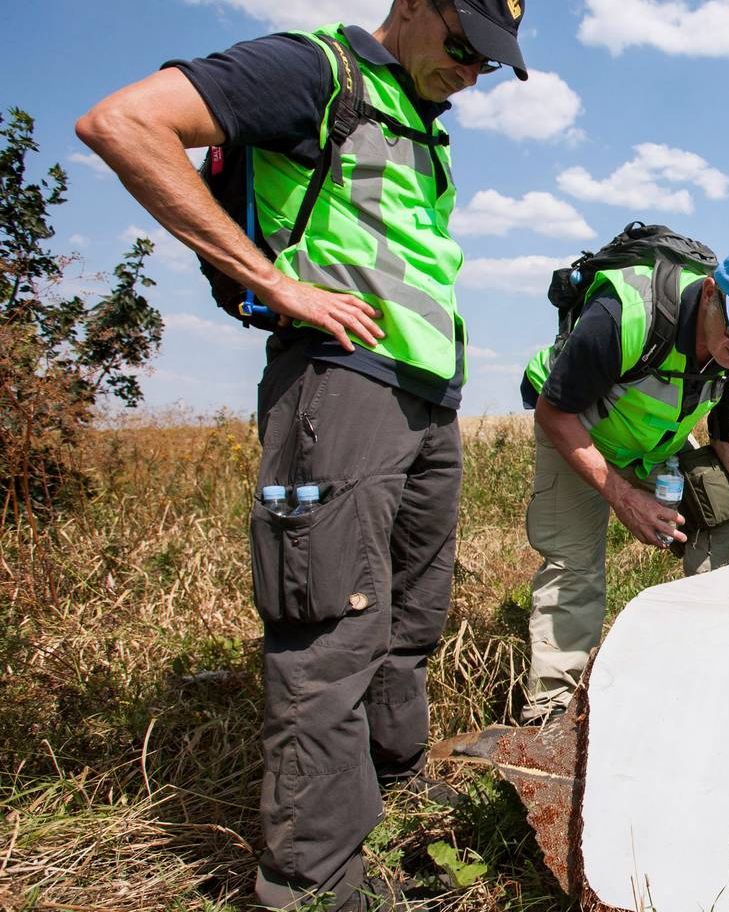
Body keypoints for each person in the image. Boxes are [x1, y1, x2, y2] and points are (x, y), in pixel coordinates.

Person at [76, 1, 528, 907]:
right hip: (340, 385)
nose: (474, 71)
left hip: (423, 396)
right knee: (330, 631)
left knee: (409, 615)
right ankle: (314, 886)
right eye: (465, 44)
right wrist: (273, 281)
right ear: (415, 7)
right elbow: (122, 122)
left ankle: (395, 786)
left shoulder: (421, 123)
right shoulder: (317, 73)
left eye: (492, 61)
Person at [518, 244, 729, 724]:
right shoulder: (625, 315)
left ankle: (705, 666)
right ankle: (549, 713)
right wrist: (622, 497)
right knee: (576, 567)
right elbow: (553, 412)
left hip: (653, 445)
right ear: (710, 294)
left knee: (719, 516)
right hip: (577, 429)